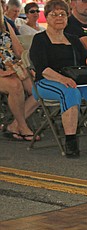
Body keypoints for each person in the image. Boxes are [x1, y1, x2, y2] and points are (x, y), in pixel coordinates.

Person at [30, 0, 87, 158]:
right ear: (47, 17)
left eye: (62, 14)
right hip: (46, 82)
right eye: (54, 14)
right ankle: (70, 141)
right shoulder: (40, 40)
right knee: (70, 92)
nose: (59, 17)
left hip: (76, 81)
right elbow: (43, 69)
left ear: (67, 17)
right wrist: (62, 79)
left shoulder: (73, 39)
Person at [0, 2, 39, 141]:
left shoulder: (4, 23)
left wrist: (28, 67)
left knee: (39, 87)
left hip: (11, 67)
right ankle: (23, 126)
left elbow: (19, 50)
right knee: (14, 85)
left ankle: (14, 125)